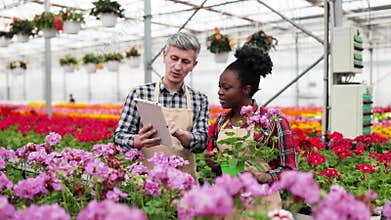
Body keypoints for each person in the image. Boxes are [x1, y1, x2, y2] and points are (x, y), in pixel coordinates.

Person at [205, 45, 297, 212]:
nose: (219, 92)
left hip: (262, 203)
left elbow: (290, 171)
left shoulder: (274, 122)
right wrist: (214, 163)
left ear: (246, 90)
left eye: (226, 88)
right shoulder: (221, 121)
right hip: (228, 203)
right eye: (219, 87)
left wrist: (266, 176)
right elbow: (222, 169)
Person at [114, 32, 209, 179]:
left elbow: (202, 143)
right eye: (174, 58)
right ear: (164, 56)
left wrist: (182, 135)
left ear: (194, 65)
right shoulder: (139, 94)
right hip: (146, 183)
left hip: (183, 184)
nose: (177, 66)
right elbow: (119, 136)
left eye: (185, 61)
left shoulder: (199, 99)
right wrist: (136, 141)